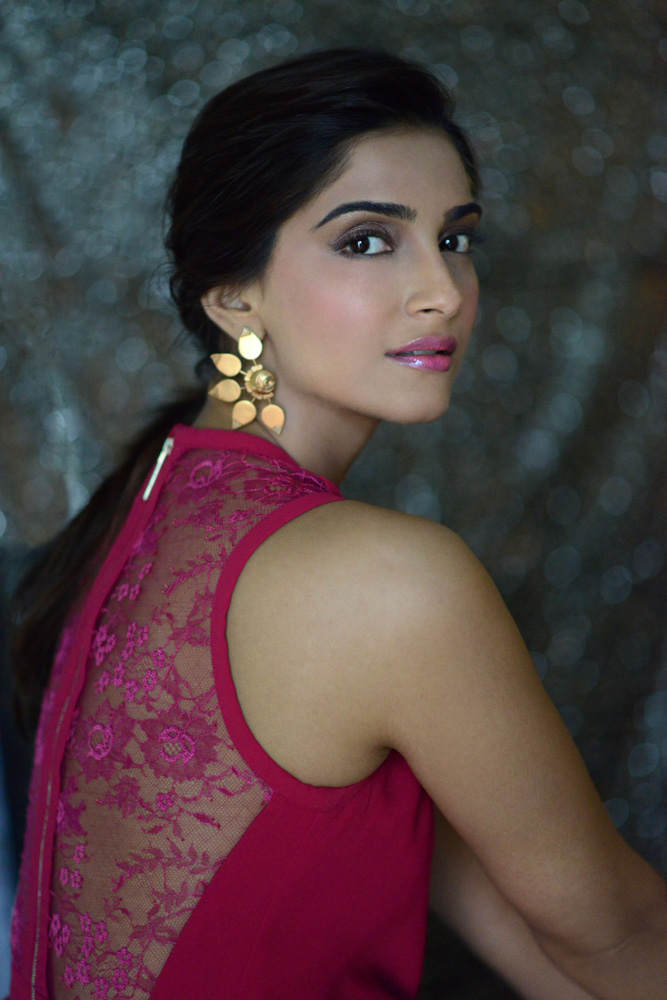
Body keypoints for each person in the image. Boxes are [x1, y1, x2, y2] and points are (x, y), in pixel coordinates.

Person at [8, 47, 667, 1000]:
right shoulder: (382, 582)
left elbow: (541, 929)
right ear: (234, 294)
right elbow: (617, 933)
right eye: (366, 241)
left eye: (455, 238)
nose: (442, 289)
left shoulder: (153, 497)